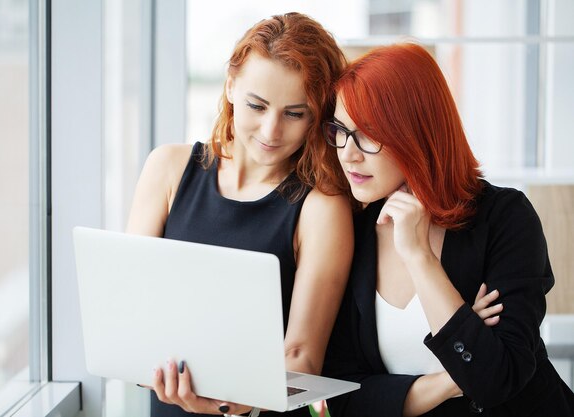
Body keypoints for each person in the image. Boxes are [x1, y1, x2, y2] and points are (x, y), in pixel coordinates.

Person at [322, 43, 574, 417]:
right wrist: (451, 376)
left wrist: (420, 257)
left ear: (417, 131)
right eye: (341, 130)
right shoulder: (350, 231)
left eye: (368, 135)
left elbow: (497, 380)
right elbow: (343, 396)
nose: (348, 152)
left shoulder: (506, 218)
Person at [126, 12, 353, 417]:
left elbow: (302, 357)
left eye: (294, 113)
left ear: (318, 116)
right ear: (230, 86)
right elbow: (133, 313)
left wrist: (231, 407)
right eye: (257, 105)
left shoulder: (321, 208)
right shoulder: (167, 169)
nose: (270, 131)